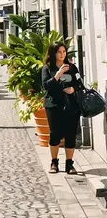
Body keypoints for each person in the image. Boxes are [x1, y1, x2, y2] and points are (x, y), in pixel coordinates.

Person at [42, 42, 81, 174]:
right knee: (55, 134)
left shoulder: (72, 67)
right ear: (53, 53)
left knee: (71, 134)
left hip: (71, 105)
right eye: (59, 52)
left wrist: (73, 88)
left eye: (64, 52)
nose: (62, 55)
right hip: (53, 105)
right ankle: (54, 162)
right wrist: (57, 74)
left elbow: (79, 83)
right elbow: (46, 86)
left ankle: (69, 164)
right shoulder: (47, 68)